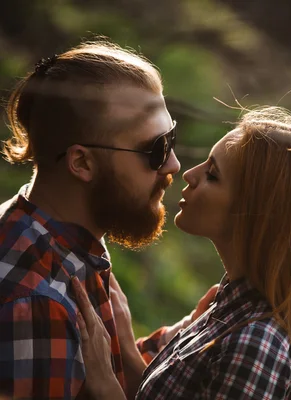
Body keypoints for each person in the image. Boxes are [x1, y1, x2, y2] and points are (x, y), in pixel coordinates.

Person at [71, 106, 291, 399]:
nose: (188, 173)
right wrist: (122, 346)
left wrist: (106, 387)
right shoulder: (225, 307)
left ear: (254, 213)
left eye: (212, 175)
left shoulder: (255, 342)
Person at [0, 41, 185, 399]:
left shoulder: (44, 234)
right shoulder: (39, 307)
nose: (173, 164)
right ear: (82, 163)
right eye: (157, 149)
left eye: (171, 137)